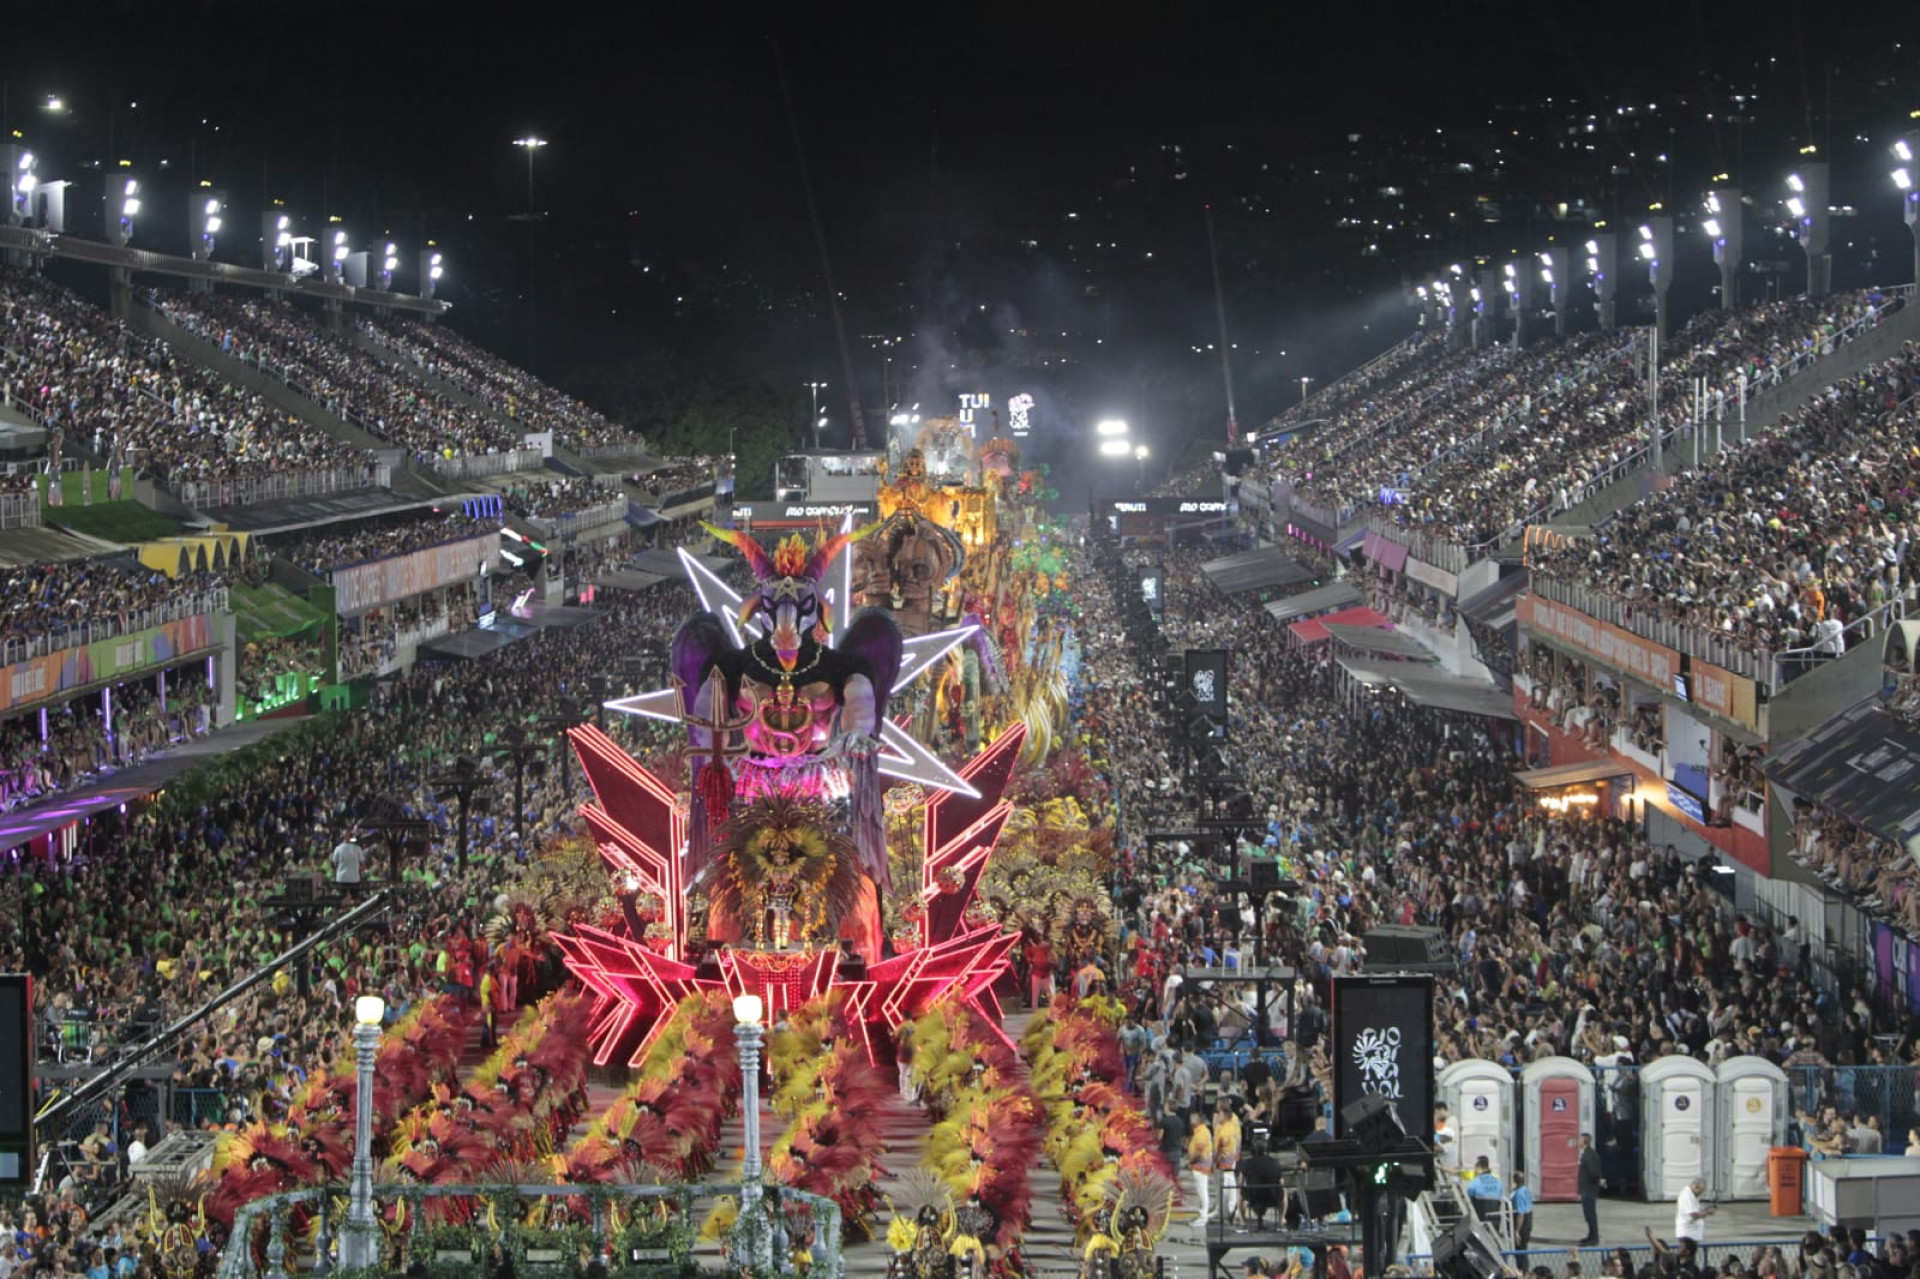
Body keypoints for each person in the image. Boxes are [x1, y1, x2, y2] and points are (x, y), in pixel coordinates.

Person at [1188, 1111, 1214, 1229]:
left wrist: (1190, 1162)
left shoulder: (1201, 1133)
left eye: (1194, 1117)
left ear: (1200, 1120)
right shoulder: (1200, 1131)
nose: (1191, 1118)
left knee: (1202, 1192)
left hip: (1201, 1167)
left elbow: (1198, 1152)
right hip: (1200, 1166)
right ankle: (1202, 1214)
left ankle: (1203, 1217)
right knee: (1201, 1192)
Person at [1577, 1133, 1604, 1246]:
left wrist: (1597, 1181)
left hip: (1589, 1189)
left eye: (1580, 1139)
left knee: (1590, 1214)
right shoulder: (1585, 1154)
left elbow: (1594, 1172)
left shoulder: (1590, 1155)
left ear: (1585, 1142)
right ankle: (1590, 1235)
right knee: (1587, 1214)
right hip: (1586, 1189)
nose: (1578, 1141)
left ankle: (1594, 1237)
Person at [1466, 1156, 1504, 1223]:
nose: (1475, 1171)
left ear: (1479, 1168)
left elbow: (1469, 1197)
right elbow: (1500, 1196)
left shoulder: (1475, 1181)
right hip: (1495, 1216)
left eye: (1476, 1169)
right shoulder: (1497, 1181)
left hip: (1481, 1215)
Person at [1675, 1177, 1712, 1244]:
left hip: (1692, 1234)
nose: (1701, 1194)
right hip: (1687, 1234)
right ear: (1696, 1187)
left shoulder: (1692, 1196)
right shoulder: (1687, 1196)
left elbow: (1695, 1211)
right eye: (1701, 1191)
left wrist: (1705, 1210)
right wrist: (1707, 1212)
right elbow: (1693, 1215)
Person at [1509, 1172, 1533, 1250]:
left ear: (1515, 1181)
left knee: (1519, 1249)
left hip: (1522, 1223)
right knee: (1524, 1248)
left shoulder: (1519, 1194)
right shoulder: (1526, 1190)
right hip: (1528, 1220)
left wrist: (1517, 1231)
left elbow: (1520, 1214)